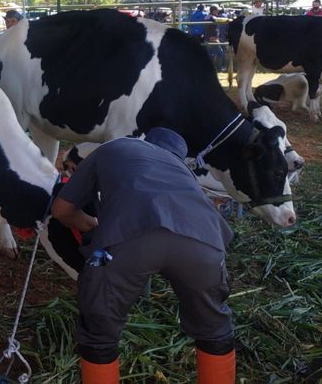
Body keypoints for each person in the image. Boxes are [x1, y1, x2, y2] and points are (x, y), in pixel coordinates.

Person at [51, 128, 235, 384]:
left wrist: (94, 225)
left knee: (99, 330)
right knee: (215, 328)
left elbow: (61, 210)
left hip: (125, 243)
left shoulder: (116, 147)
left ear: (146, 142)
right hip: (205, 244)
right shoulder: (183, 172)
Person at [204, 5, 226, 72]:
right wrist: (228, 20)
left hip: (207, 39)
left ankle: (209, 69)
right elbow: (217, 20)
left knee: (210, 55)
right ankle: (219, 68)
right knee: (220, 53)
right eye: (217, 10)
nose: (218, 12)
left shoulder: (207, 17)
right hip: (213, 39)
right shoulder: (212, 17)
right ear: (214, 11)